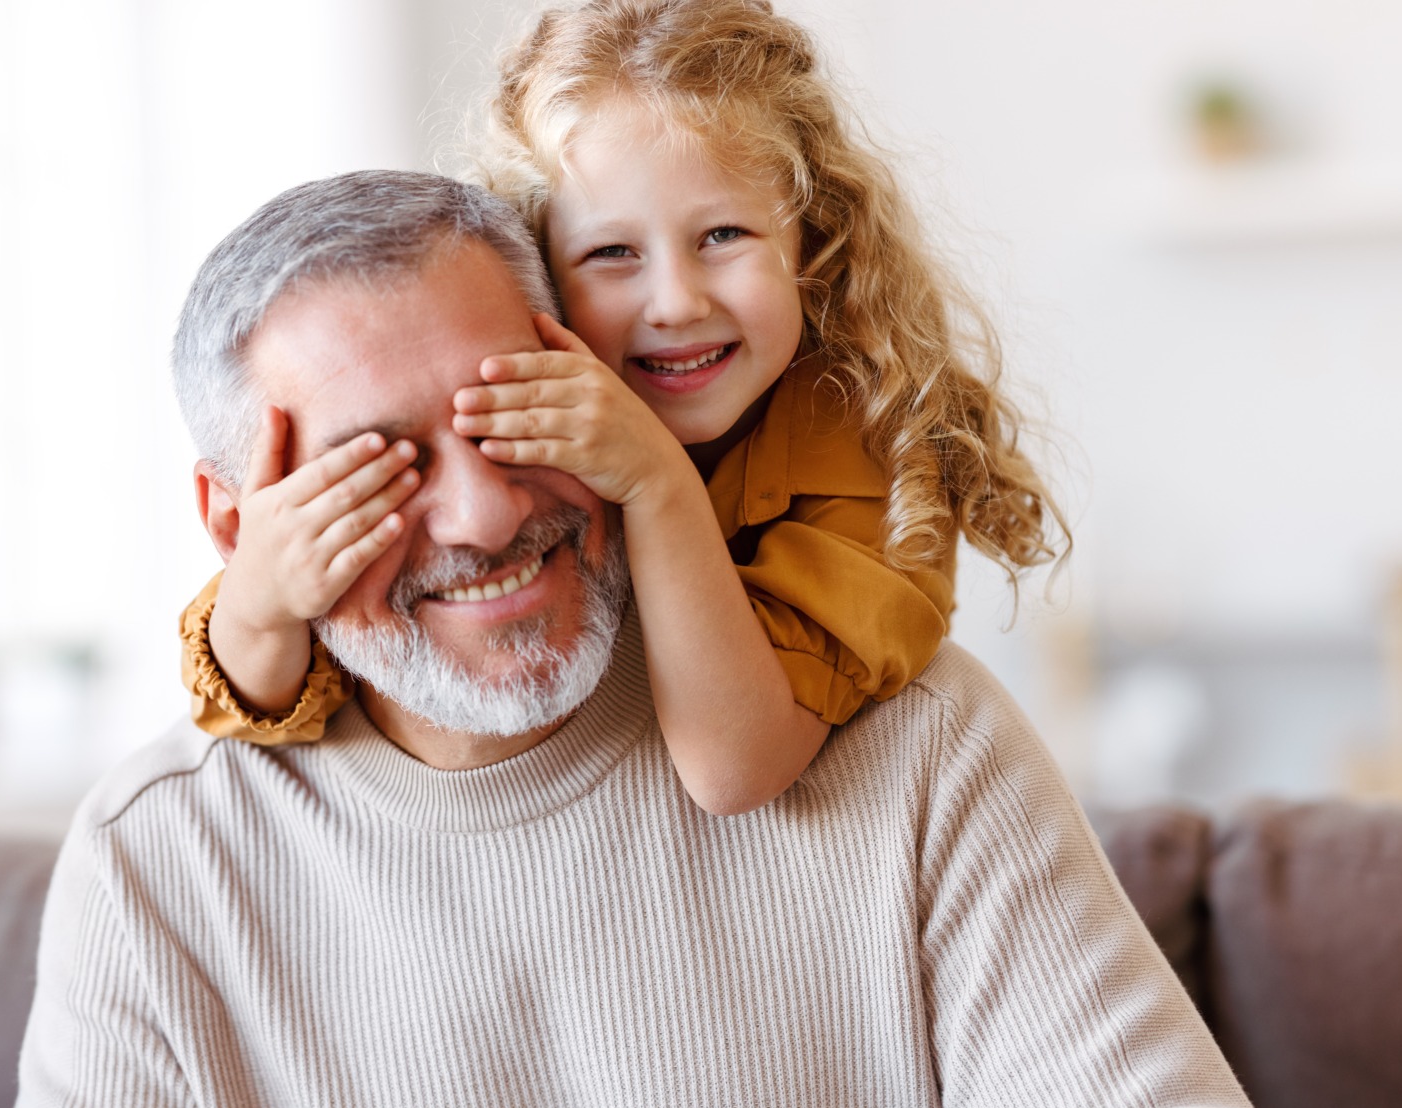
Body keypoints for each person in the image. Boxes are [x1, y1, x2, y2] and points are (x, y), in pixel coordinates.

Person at [5, 169, 1273, 1108]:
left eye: (518, 416)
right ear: (238, 527)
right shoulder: (156, 860)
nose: (486, 516)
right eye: (376, 470)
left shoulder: (905, 731)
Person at [176, 0, 1064, 816]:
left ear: (813, 242)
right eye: (610, 252)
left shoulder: (871, 452)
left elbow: (734, 767)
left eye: (723, 236)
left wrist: (653, 480)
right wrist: (260, 603)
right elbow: (261, 703)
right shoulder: (494, 429)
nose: (675, 301)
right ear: (542, 278)